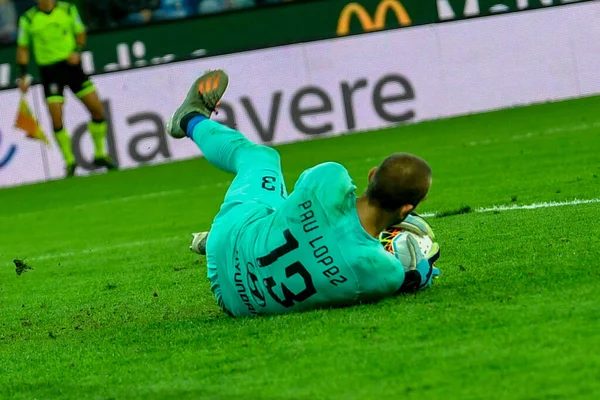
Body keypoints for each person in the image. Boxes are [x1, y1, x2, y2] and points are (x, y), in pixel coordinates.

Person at [166, 70, 440, 317]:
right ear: (407, 208)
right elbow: (399, 276)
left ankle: (190, 118)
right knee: (289, 219)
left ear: (371, 175)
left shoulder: (331, 178)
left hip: (230, 240)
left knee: (260, 158)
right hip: (236, 304)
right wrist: (419, 273)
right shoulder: (385, 271)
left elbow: (296, 203)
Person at [16, 0, 117, 177]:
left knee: (97, 109)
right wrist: (23, 75)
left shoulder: (68, 9)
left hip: (72, 68)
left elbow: (80, 33)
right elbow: (23, 48)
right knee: (56, 117)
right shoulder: (28, 19)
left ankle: (100, 153)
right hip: (50, 72)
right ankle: (70, 161)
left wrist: (77, 50)